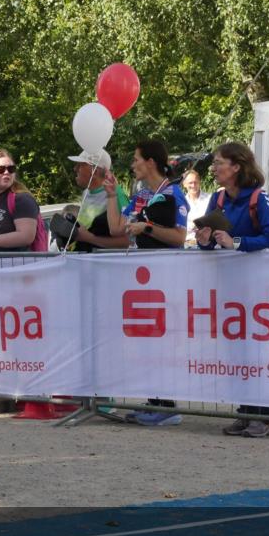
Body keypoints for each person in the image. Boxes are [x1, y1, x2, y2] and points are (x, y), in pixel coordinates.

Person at [194, 142, 269, 438]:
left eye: (219, 162)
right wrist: (204, 240)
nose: (214, 168)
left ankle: (263, 416)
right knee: (236, 350)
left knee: (256, 350)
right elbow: (210, 243)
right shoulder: (217, 198)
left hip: (259, 289)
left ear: (236, 167)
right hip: (230, 288)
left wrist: (237, 243)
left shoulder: (260, 198)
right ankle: (245, 412)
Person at [105, 140, 188, 426]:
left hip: (166, 278)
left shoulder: (173, 193)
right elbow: (116, 228)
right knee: (146, 342)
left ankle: (168, 406)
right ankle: (155, 401)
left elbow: (179, 237)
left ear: (151, 162)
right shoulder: (141, 195)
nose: (133, 164)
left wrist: (148, 227)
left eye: (136, 159)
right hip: (141, 279)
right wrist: (111, 195)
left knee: (163, 342)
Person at [64, 150, 131, 252]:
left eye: (80, 165)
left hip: (105, 262)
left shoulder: (117, 194)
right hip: (83, 259)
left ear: (94, 172)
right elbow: (83, 231)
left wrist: (89, 238)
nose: (75, 169)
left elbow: (128, 242)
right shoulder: (86, 192)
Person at [182, 169, 212, 246]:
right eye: (190, 183)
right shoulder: (182, 202)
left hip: (206, 243)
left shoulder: (210, 199)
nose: (193, 185)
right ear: (184, 184)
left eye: (196, 182)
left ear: (199, 182)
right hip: (187, 244)